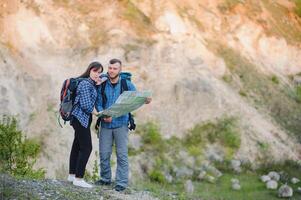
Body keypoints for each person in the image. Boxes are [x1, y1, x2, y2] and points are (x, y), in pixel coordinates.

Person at [94, 59, 151, 192]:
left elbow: (136, 98)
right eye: (110, 68)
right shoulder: (102, 84)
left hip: (121, 124)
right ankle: (105, 179)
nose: (111, 70)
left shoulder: (127, 84)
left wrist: (146, 100)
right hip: (105, 124)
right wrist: (103, 114)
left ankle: (121, 183)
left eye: (115, 68)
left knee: (122, 154)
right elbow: (98, 102)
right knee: (104, 153)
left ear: (120, 70)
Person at [67, 62, 103, 188]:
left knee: (77, 146)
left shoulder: (91, 84)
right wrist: (98, 113)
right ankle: (79, 178)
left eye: (99, 72)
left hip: (81, 119)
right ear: (89, 70)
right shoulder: (85, 84)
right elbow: (86, 105)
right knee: (87, 147)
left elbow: (91, 99)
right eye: (95, 71)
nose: (97, 74)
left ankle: (72, 175)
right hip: (80, 118)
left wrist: (98, 86)